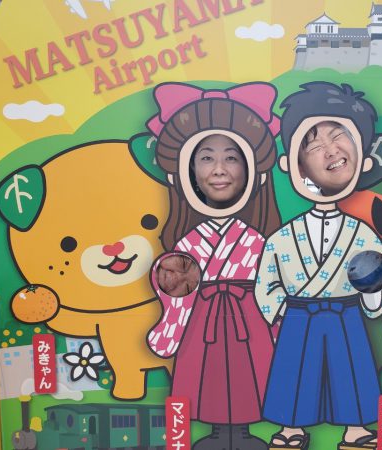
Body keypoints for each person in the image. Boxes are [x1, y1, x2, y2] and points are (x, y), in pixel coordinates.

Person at [255, 82, 382, 450]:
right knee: (294, 373)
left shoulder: (360, 234)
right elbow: (267, 281)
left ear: (364, 160)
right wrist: (282, 310)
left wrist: (371, 293)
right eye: (313, 145)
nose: (330, 150)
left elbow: (379, 276)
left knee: (350, 371)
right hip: (299, 316)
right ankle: (291, 428)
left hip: (345, 313)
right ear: (291, 164)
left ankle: (355, 429)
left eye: (339, 137)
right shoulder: (283, 238)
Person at [145, 82, 282, 450]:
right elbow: (175, 294)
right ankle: (219, 433)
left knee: (252, 374)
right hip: (201, 319)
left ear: (255, 171)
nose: (219, 169)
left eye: (232, 157)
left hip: (250, 318)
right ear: (185, 170)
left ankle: (243, 432)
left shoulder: (260, 240)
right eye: (206, 158)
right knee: (207, 376)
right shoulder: (188, 243)